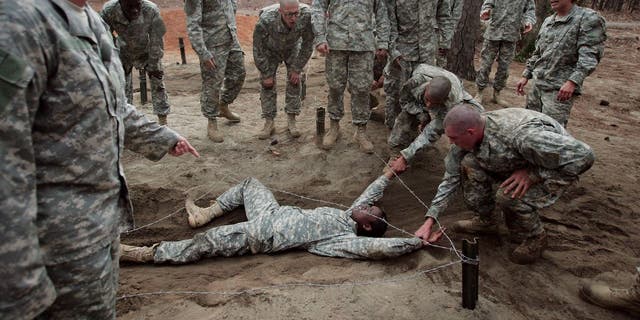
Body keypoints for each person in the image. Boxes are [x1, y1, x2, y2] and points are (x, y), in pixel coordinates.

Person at [0, 1, 199, 319]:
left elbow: (112, 106)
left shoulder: (91, 21)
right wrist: (18, 284)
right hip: (51, 249)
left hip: (99, 232)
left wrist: (162, 138)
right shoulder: (19, 22)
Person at [120, 168, 444, 263]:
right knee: (250, 184)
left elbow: (378, 248)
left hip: (262, 236)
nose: (363, 205)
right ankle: (206, 213)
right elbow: (370, 194)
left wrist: (414, 243)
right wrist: (388, 174)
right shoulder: (349, 216)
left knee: (204, 244)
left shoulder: (344, 240)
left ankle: (144, 254)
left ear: (367, 224)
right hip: (272, 213)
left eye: (367, 211)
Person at [414, 105, 594, 264]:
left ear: (470, 132)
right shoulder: (471, 136)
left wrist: (534, 175)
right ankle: (486, 221)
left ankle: (535, 238)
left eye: (453, 138)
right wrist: (430, 220)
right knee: (469, 165)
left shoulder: (523, 136)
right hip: (519, 161)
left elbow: (584, 156)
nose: (451, 143)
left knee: (507, 195)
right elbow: (450, 179)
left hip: (554, 168)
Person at [311, 0, 389, 153]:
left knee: (361, 89)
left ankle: (361, 131)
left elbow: (382, 12)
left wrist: (383, 41)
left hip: (363, 45)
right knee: (335, 87)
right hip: (335, 44)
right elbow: (318, 8)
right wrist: (319, 37)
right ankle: (334, 126)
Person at [516, 0, 606, 126]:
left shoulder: (587, 18)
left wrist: (572, 82)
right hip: (537, 85)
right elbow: (538, 53)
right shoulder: (548, 21)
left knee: (551, 132)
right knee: (530, 128)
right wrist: (526, 75)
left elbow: (590, 56)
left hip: (559, 91)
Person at [387, 64, 482, 160]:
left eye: (434, 103)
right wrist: (421, 114)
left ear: (444, 99)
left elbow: (433, 131)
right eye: (427, 100)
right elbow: (405, 101)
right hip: (424, 80)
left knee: (476, 119)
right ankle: (395, 153)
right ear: (427, 88)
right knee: (404, 117)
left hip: (455, 87)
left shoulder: (452, 102)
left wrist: (407, 156)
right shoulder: (414, 82)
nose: (428, 105)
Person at [383, 0, 452, 129]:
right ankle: (392, 127)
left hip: (427, 51)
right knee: (395, 91)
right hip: (402, 52)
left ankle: (415, 126)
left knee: (422, 92)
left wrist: (445, 41)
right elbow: (388, 22)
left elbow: (444, 16)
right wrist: (393, 51)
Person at [101, 0, 172, 125]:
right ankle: (126, 122)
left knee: (158, 83)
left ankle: (163, 121)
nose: (134, 10)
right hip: (122, 52)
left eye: (137, 5)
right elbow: (103, 35)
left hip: (146, 51)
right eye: (130, 6)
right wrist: (112, 59)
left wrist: (154, 64)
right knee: (121, 88)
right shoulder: (109, 10)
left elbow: (157, 39)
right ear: (121, 3)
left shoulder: (151, 9)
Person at [185, 0, 247, 142]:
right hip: (212, 45)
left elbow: (232, 5)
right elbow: (193, 24)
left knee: (239, 74)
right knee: (212, 84)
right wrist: (202, 52)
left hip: (231, 39)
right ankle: (211, 121)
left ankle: (223, 105)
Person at [253, 0, 314, 140]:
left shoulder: (306, 15)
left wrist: (297, 69)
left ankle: (292, 120)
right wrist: (266, 73)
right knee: (267, 84)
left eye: (296, 13)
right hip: (270, 49)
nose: (294, 18)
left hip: (292, 48)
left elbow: (308, 44)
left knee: (294, 81)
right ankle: (269, 122)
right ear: (280, 12)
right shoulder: (266, 19)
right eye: (289, 15)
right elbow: (258, 48)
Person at [474, 0, 536, 105]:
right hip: (493, 33)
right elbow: (487, 4)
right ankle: (479, 92)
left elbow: (530, 11)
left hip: (511, 35)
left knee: (504, 68)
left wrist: (528, 21)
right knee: (485, 65)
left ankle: (497, 93)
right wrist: (485, 12)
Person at [436, 0, 463, 68]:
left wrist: (449, 33)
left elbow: (456, 15)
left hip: (444, 31)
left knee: (440, 57)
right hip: (427, 28)